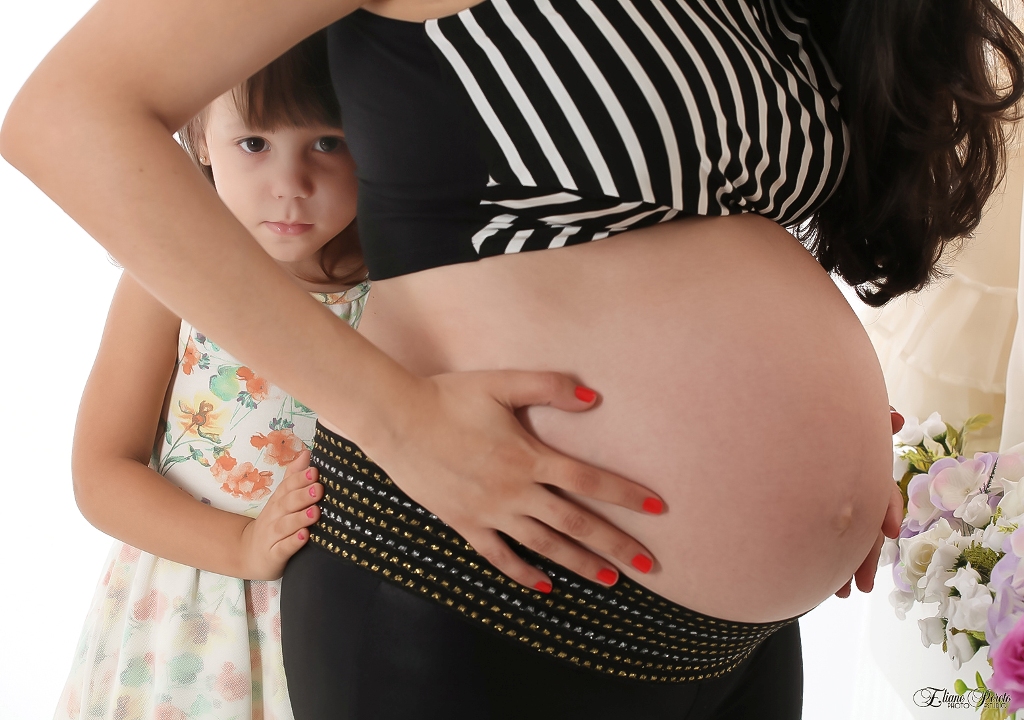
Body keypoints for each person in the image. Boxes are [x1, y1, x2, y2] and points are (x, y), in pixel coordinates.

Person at [4, 1, 1023, 719]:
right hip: (476, 600)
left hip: (736, 643)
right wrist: (391, 418)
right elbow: (70, 114)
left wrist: (815, 445)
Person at [52, 33, 367, 720]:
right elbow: (101, 471)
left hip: (351, 621)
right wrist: (243, 546)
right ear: (198, 134)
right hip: (196, 615)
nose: (290, 184)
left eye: (328, 142)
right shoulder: (169, 275)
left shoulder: (403, 287)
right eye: (254, 143)